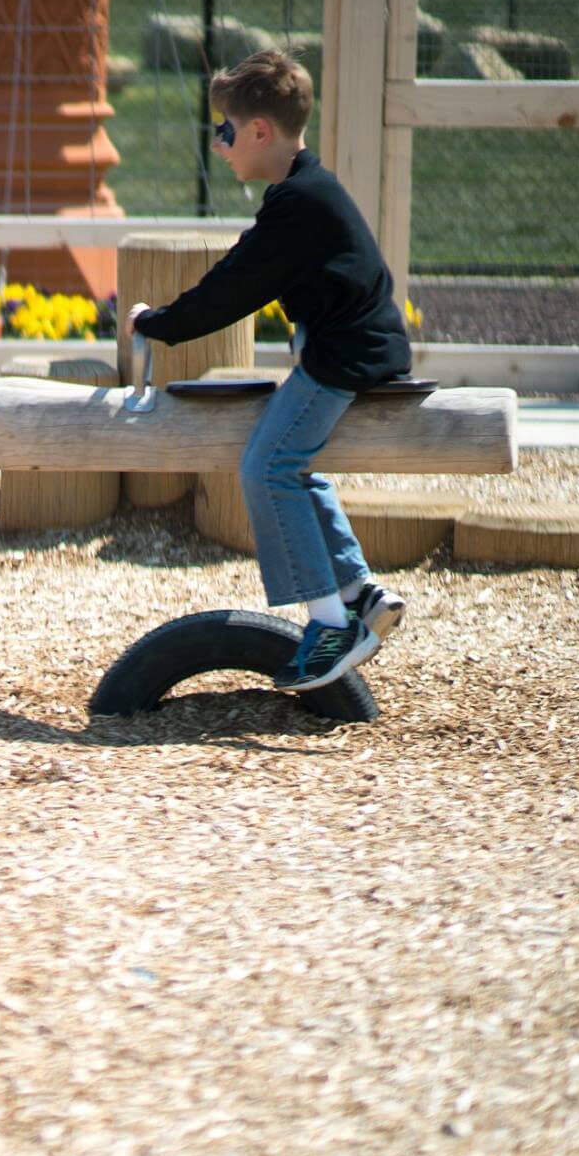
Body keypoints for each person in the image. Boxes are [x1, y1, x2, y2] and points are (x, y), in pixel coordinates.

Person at [126, 49, 413, 693]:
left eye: (226, 130)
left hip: (343, 355)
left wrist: (157, 323)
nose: (219, 144)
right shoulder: (307, 190)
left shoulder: (297, 205)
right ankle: (359, 591)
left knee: (268, 466)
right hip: (354, 345)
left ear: (260, 131)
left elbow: (233, 287)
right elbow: (244, 272)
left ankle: (330, 623)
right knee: (294, 465)